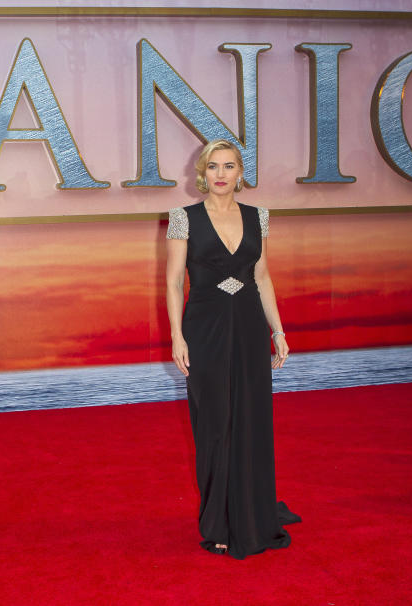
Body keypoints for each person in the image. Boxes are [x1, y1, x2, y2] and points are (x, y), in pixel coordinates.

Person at [165, 139, 300, 559]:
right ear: (201, 173)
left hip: (248, 326)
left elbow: (262, 278)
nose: (220, 174)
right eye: (212, 167)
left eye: (229, 166)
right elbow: (173, 282)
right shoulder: (182, 218)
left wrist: (277, 330)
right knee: (215, 423)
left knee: (251, 419)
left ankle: (251, 513)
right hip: (204, 326)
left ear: (240, 172)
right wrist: (176, 336)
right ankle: (218, 521)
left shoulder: (258, 216)